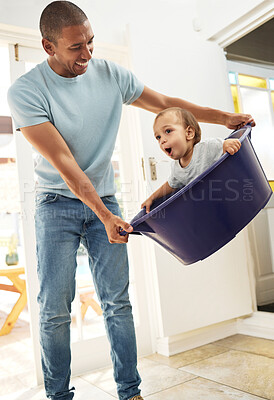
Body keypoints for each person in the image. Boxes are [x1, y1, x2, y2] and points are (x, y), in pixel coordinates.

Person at [7, 2, 254, 400]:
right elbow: (65, 163)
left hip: (104, 197)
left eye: (90, 42)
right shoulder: (25, 91)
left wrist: (223, 117)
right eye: (75, 48)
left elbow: (165, 104)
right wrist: (105, 216)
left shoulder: (110, 74)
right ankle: (58, 396)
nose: (87, 54)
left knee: (117, 302)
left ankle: (129, 392)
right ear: (48, 46)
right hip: (56, 203)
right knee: (54, 309)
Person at [141, 107, 242, 213]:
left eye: (168, 131)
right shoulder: (176, 167)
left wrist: (228, 144)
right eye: (158, 137)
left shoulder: (206, 148)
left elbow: (225, 144)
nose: (162, 140)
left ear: (189, 133)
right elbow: (171, 185)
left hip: (228, 200)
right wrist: (152, 198)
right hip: (208, 210)